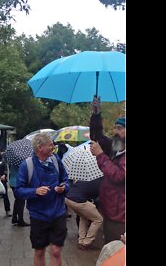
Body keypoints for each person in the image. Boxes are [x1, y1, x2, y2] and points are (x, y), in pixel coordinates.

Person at [15, 133, 69, 266]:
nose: (53, 147)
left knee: (56, 251)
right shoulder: (26, 165)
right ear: (40, 148)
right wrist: (35, 191)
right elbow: (18, 190)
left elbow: (65, 179)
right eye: (50, 144)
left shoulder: (56, 160)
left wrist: (64, 187)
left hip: (58, 213)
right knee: (39, 251)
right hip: (38, 215)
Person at [89, 96, 126, 244]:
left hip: (120, 215)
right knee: (110, 247)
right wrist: (97, 114)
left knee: (116, 251)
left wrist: (100, 155)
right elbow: (97, 137)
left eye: (120, 128)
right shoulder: (117, 147)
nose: (115, 131)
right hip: (110, 209)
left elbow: (119, 175)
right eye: (115, 127)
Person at [65, 178, 103, 250]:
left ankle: (81, 241)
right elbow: (98, 197)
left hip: (68, 198)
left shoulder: (86, 176)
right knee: (98, 219)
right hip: (78, 200)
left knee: (83, 217)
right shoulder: (101, 181)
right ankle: (87, 242)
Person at [8, 162, 29, 227]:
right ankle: (20, 220)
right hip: (18, 183)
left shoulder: (12, 161)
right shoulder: (20, 163)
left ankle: (14, 218)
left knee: (17, 200)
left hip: (12, 182)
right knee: (21, 201)